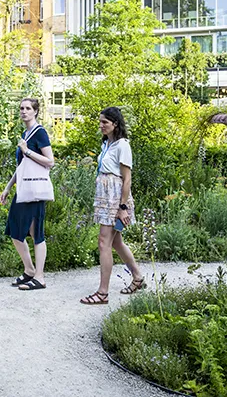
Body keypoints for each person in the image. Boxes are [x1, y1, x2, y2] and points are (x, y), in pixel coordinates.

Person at [81, 107, 144, 305]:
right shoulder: (106, 144)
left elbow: (127, 179)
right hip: (105, 196)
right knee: (115, 242)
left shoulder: (122, 145)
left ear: (115, 124)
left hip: (115, 198)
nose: (101, 125)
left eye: (105, 122)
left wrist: (122, 208)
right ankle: (137, 277)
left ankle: (103, 293)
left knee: (104, 242)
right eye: (100, 122)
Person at [0, 98, 54, 291]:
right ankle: (29, 270)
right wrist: (8, 187)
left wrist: (27, 151)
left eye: (28, 108)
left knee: (36, 232)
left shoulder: (40, 133)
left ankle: (40, 277)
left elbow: (50, 161)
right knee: (15, 230)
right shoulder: (26, 134)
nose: (23, 111)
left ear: (36, 111)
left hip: (35, 191)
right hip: (23, 189)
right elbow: (22, 167)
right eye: (21, 108)